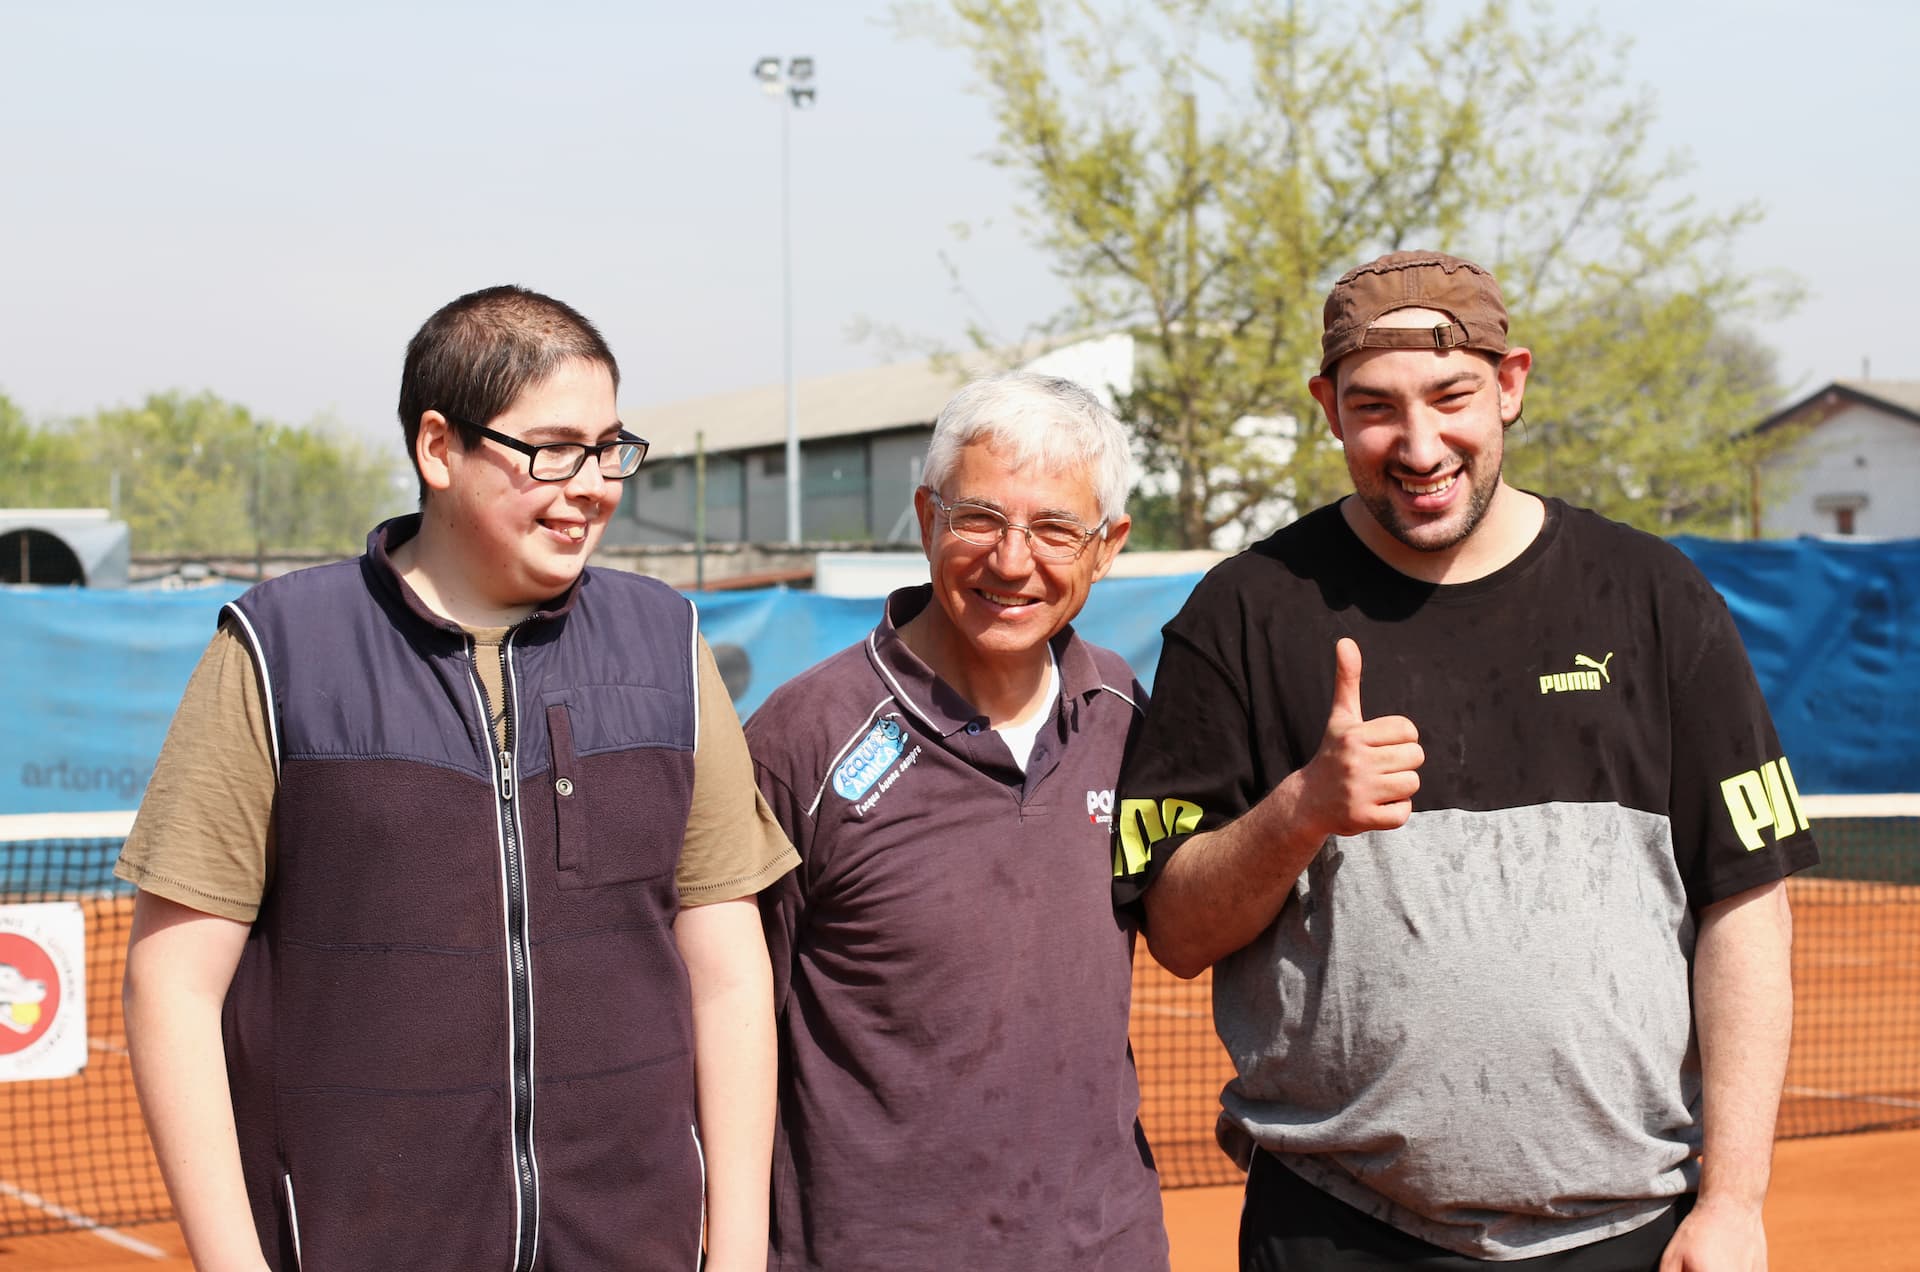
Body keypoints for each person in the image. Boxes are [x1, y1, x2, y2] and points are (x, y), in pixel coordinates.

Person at [1115, 251, 1817, 1270]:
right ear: (1327, 408)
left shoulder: (1658, 599)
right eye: (1375, 408)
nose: (1419, 444)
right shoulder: (1245, 614)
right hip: (1334, 1230)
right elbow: (1176, 932)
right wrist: (1302, 808)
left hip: (1629, 1232)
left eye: (1451, 397)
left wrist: (1736, 1201)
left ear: (1511, 383)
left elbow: (1747, 905)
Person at [117, 285, 797, 1272]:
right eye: (554, 449)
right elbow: (171, 983)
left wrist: (735, 1254)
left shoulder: (669, 643)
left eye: (611, 448)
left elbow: (729, 971)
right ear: (439, 448)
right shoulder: (277, 649)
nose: (595, 484)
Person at [745, 371, 1170, 1270]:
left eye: (1057, 528)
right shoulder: (802, 739)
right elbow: (729, 1026)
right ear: (928, 517)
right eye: (979, 518)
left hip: (1106, 1249)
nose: (1013, 562)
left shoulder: (1126, 717)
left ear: (1108, 546)